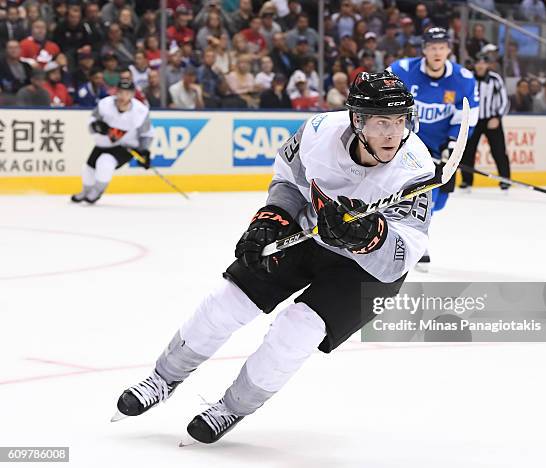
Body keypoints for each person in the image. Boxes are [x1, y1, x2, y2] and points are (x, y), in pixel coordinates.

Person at [111, 71, 434, 444]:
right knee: (226, 302)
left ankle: (232, 407)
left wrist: (370, 236)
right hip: (309, 234)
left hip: (365, 269)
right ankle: (164, 377)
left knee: (296, 331)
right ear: (357, 120)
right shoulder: (318, 132)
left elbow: (400, 258)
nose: (393, 134)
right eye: (381, 123)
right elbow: (288, 180)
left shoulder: (416, 169)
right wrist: (273, 216)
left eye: (399, 121)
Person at [388, 27, 479, 271]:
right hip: (408, 145)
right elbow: (384, 101)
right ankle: (417, 243)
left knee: (439, 201)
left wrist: (452, 144)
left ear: (449, 49)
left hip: (441, 147)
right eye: (432, 47)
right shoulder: (402, 71)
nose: (437, 52)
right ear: (424, 50)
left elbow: (467, 117)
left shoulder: (464, 79)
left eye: (441, 47)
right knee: (417, 195)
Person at [70, 79, 153, 204]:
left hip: (126, 147)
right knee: (88, 168)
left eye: (126, 93)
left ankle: (97, 191)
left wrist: (144, 151)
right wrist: (96, 127)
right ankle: (86, 191)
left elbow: (146, 133)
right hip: (103, 143)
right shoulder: (104, 104)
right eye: (120, 92)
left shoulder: (140, 111)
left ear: (132, 94)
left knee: (105, 163)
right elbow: (91, 122)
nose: (122, 97)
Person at [460, 53, 510, 192]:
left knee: (499, 151)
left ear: (488, 65)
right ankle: (467, 180)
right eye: (478, 63)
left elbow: (504, 100)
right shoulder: (468, 78)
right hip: (472, 120)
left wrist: (498, 117)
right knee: (468, 151)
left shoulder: (495, 79)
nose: (480, 66)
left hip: (491, 120)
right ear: (474, 65)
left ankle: (505, 180)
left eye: (483, 63)